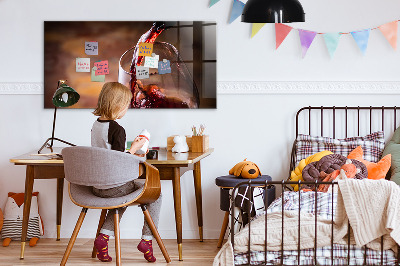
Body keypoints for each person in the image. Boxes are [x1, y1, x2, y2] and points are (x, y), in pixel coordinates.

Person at [91, 82, 161, 263]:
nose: (127, 108)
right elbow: (118, 161)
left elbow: (108, 154)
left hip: (97, 186)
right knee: (156, 194)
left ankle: (103, 238)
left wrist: (131, 150)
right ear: (118, 105)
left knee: (121, 197)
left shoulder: (96, 125)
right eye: (127, 104)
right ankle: (147, 240)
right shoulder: (117, 129)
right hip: (114, 186)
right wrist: (136, 148)